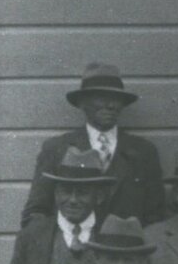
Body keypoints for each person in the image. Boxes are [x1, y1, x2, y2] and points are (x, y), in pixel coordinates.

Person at [21, 62, 165, 225]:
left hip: (126, 242)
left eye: (116, 99)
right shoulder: (57, 149)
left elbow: (156, 216)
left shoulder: (143, 151)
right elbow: (36, 212)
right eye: (102, 98)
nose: (110, 105)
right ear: (82, 103)